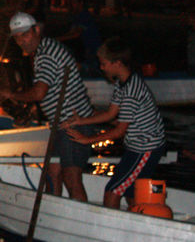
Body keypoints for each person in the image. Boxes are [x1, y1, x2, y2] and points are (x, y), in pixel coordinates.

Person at [0, 12, 96, 200]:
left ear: (37, 30)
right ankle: (54, 209)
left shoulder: (46, 54)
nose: (22, 41)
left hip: (73, 123)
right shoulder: (45, 49)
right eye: (17, 38)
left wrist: (11, 95)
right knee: (53, 171)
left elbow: (39, 93)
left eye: (25, 35)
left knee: (71, 176)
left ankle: (80, 218)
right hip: (62, 124)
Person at [62, 37, 167, 209]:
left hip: (146, 148)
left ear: (117, 63)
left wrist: (87, 140)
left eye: (104, 64)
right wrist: (82, 120)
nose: (101, 67)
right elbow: (111, 114)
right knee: (130, 193)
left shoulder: (132, 89)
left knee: (112, 192)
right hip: (135, 146)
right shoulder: (122, 83)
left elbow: (119, 131)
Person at [55, 0, 102, 74]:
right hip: (85, 51)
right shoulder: (77, 17)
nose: (72, 5)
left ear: (81, 3)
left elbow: (76, 34)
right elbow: (71, 33)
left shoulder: (85, 16)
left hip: (92, 52)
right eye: (71, 3)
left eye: (74, 2)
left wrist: (58, 39)